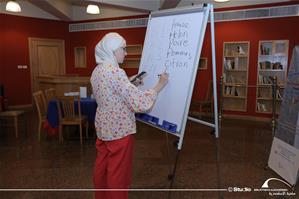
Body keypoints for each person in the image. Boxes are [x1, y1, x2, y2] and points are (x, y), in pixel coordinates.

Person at [90, 32, 169, 199]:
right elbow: (141, 103)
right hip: (120, 131)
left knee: (103, 167)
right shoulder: (116, 73)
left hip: (103, 128)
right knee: (119, 173)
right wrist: (159, 85)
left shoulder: (98, 70)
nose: (126, 53)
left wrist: (129, 82)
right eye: (123, 49)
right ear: (112, 50)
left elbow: (111, 91)